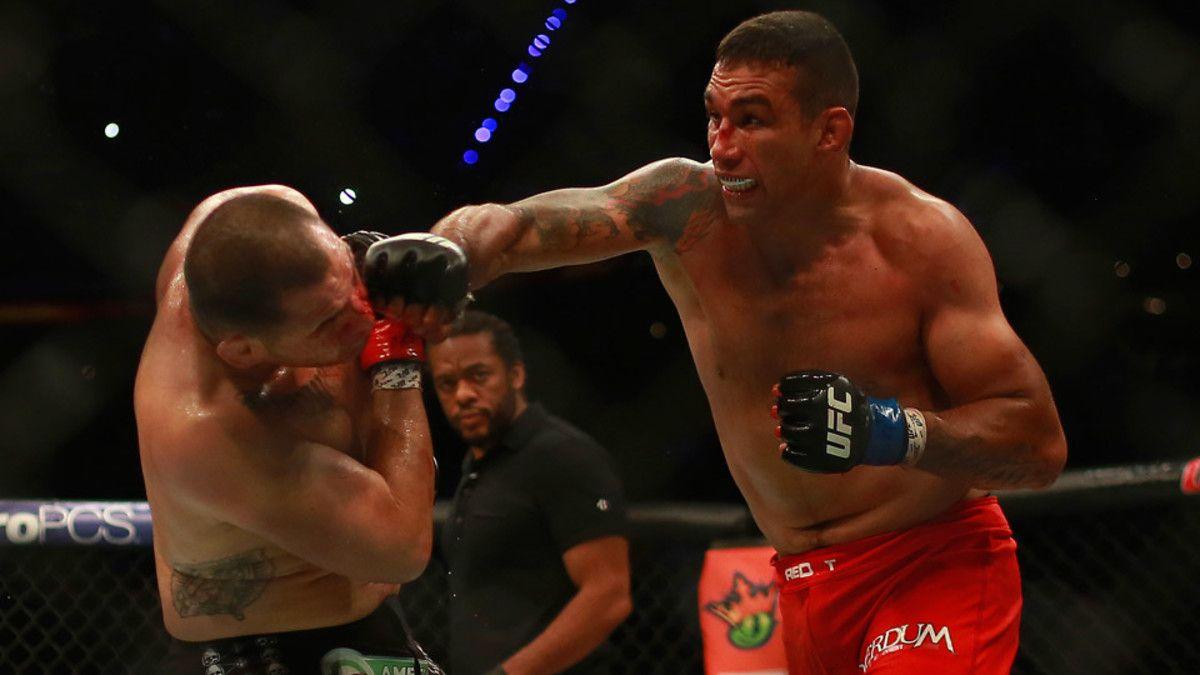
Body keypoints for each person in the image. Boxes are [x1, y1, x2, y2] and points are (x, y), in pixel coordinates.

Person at [390, 11, 1069, 674]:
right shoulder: (687, 211)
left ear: (829, 131)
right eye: (714, 117)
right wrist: (445, 251)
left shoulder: (921, 242)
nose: (722, 145)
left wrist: (889, 431)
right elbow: (519, 227)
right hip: (801, 586)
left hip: (931, 564)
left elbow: (1037, 445)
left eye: (752, 120)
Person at [134, 184, 467, 673]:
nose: (361, 316)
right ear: (244, 350)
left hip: (376, 624)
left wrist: (367, 260)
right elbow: (401, 548)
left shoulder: (245, 220)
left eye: (350, 282)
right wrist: (397, 354)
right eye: (329, 320)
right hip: (255, 652)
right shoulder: (208, 430)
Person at [426, 310, 632, 675]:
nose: (463, 394)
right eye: (446, 383)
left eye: (479, 375)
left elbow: (609, 595)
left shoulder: (563, 455)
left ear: (516, 375)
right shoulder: (481, 463)